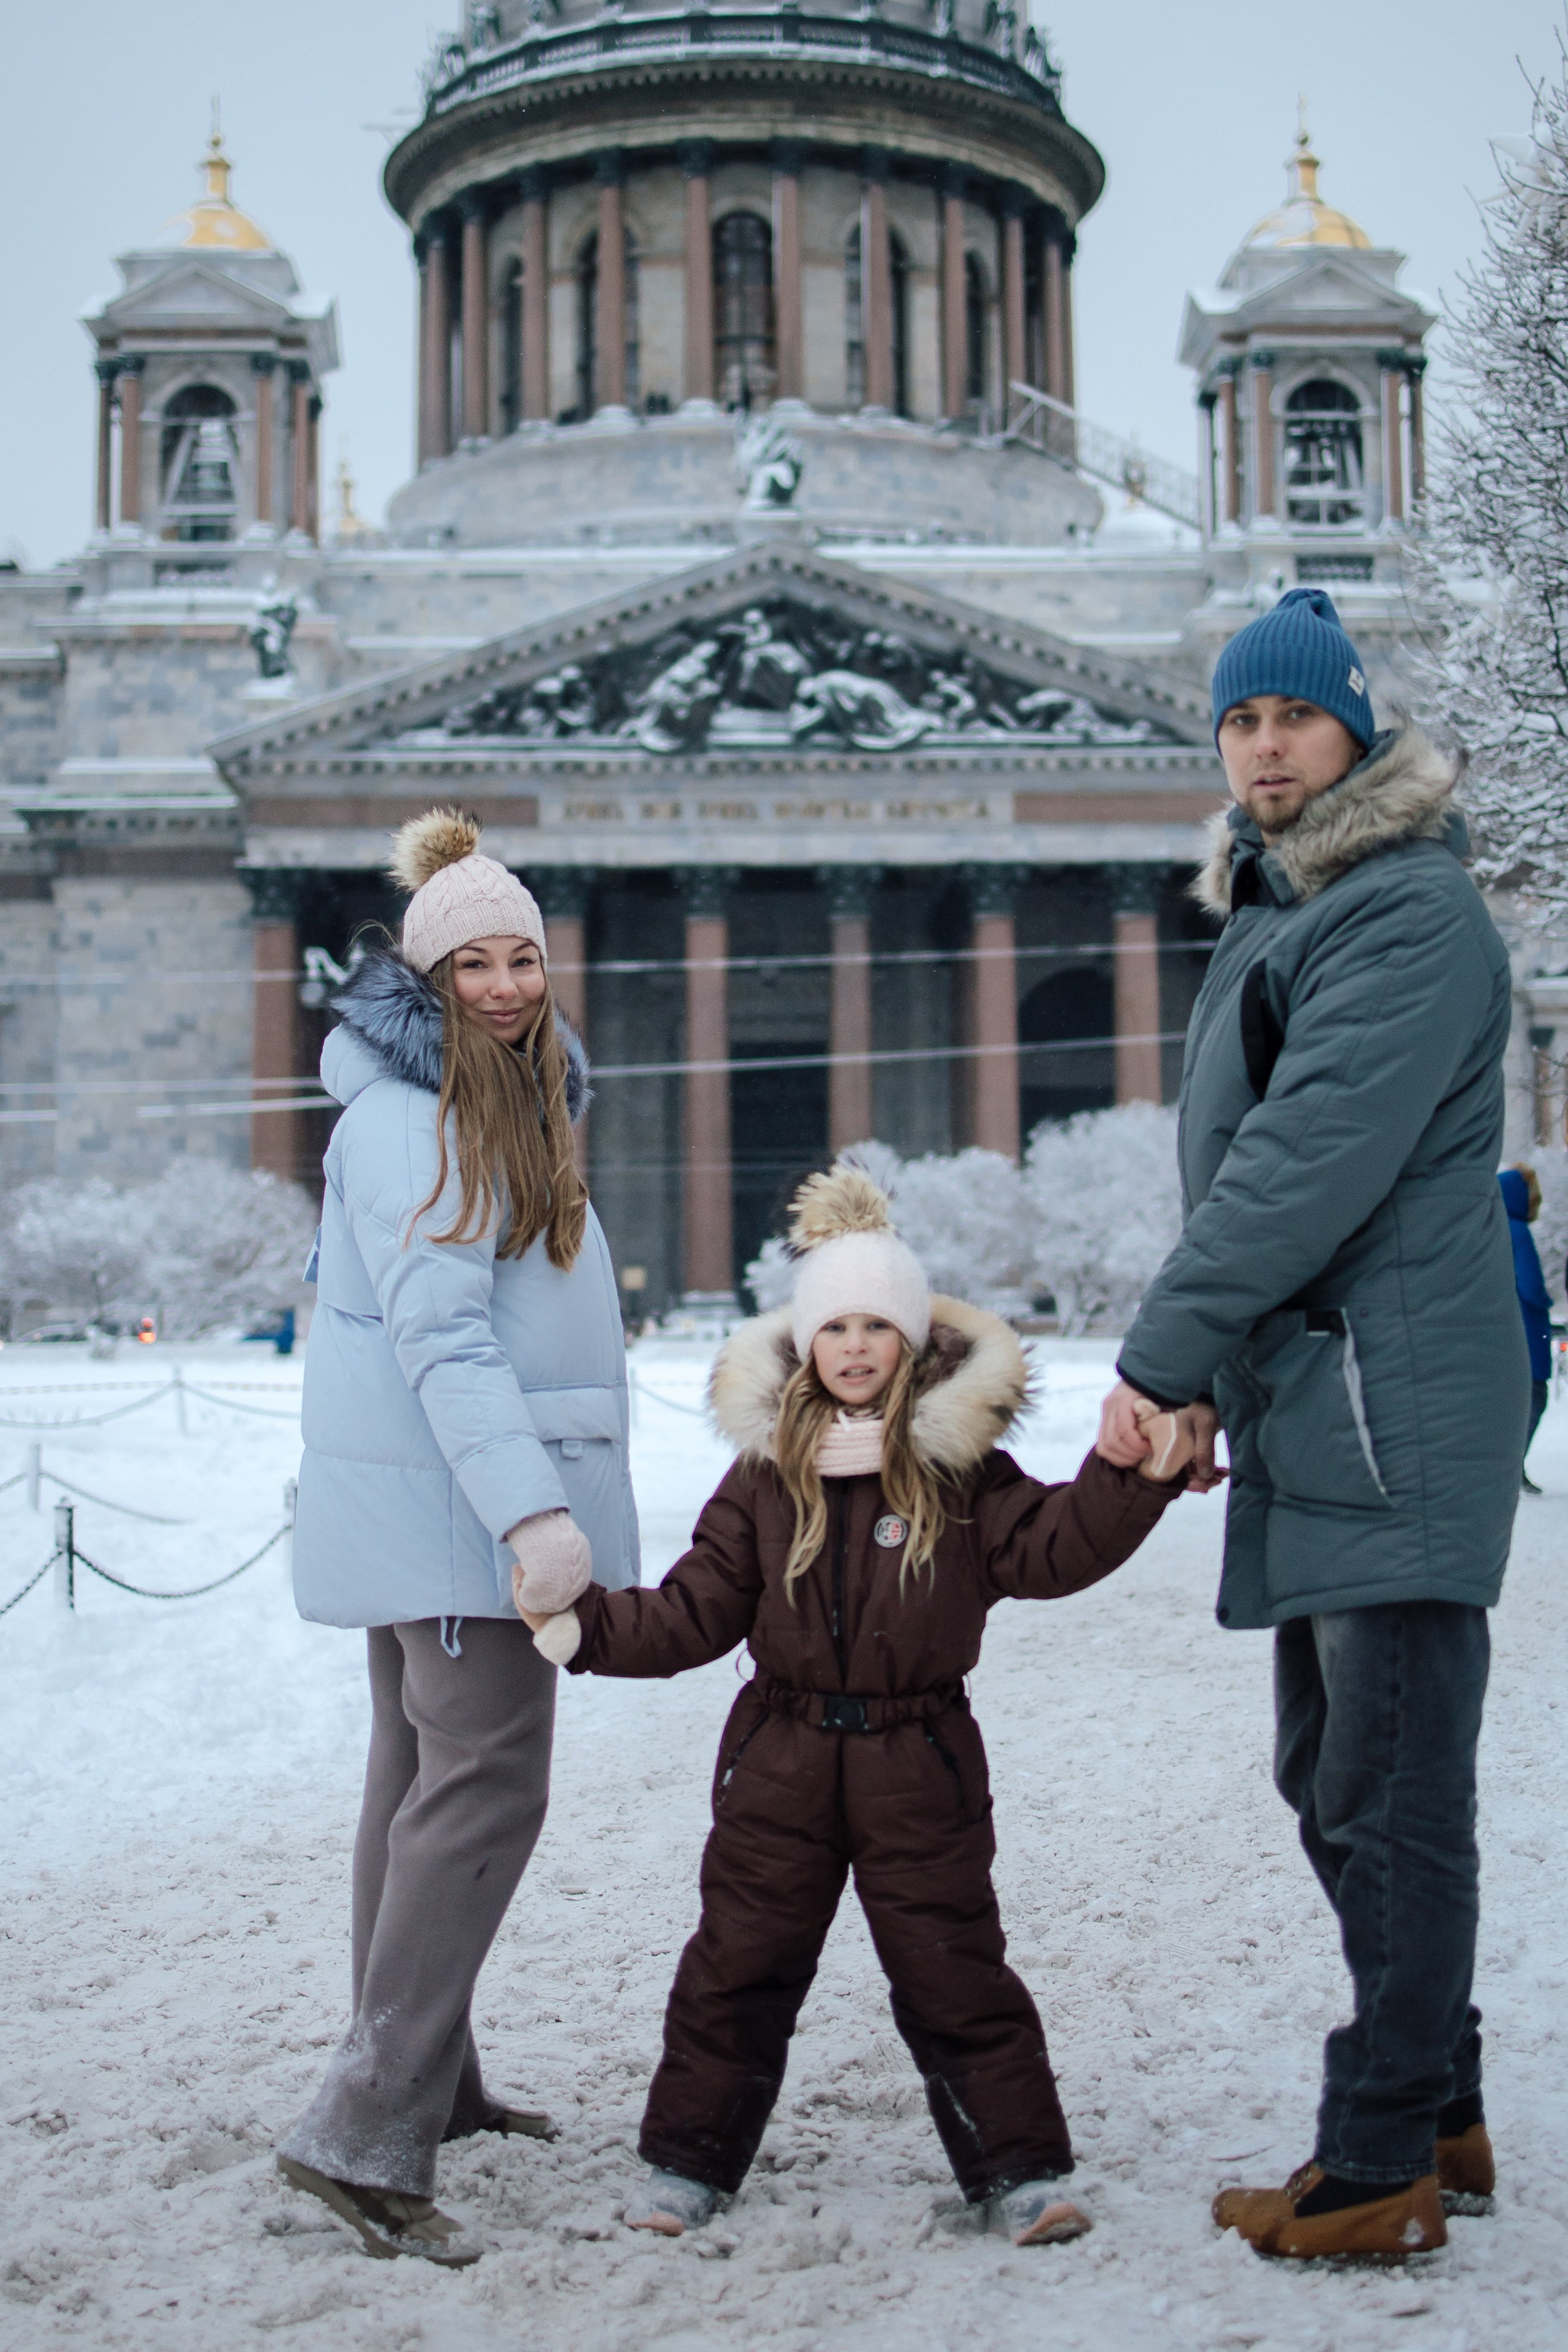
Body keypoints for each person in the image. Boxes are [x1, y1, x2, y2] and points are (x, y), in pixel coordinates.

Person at [518, 1166, 1196, 2246]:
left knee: (955, 1968)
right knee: (737, 1965)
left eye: (880, 1326)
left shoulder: (963, 1475)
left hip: (917, 1759)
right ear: (805, 1342)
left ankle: (1019, 2172)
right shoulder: (764, 1479)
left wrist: (1134, 1479)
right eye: (837, 1326)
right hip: (780, 1759)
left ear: (915, 1343)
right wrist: (587, 1627)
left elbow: (1058, 1546)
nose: (857, 1348)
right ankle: (686, 2165)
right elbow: (696, 1612)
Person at [1099, 587, 1527, 2261]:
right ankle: (1444, 2104)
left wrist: (1161, 1357)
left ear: (1357, 730)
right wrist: (1211, 1365)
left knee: (1393, 1784)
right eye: (1242, 722)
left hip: (1387, 1393)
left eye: (1295, 717)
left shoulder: (1404, 913)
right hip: (1330, 1390)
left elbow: (1299, 1167)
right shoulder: (1295, 908)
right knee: (1336, 1775)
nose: (1266, 744)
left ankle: (1378, 2166)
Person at [275, 809, 640, 2266]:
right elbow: (443, 1338)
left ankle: (433, 2073)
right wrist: (531, 1514)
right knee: (482, 1788)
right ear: (421, 982)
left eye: (523, 957)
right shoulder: (426, 1117)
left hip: (421, 1506)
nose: (502, 983)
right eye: (470, 962)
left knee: (418, 1781)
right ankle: (365, 2130)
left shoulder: (472, 1097)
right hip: (462, 1515)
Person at [1499, 1164, 1552, 1491]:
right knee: (1535, 1396)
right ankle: (1513, 1468)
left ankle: (1510, 1468)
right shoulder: (1518, 1230)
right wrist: (1546, 1301)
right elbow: (1531, 1285)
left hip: (1507, 1327)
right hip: (1528, 1328)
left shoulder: (1491, 1226)